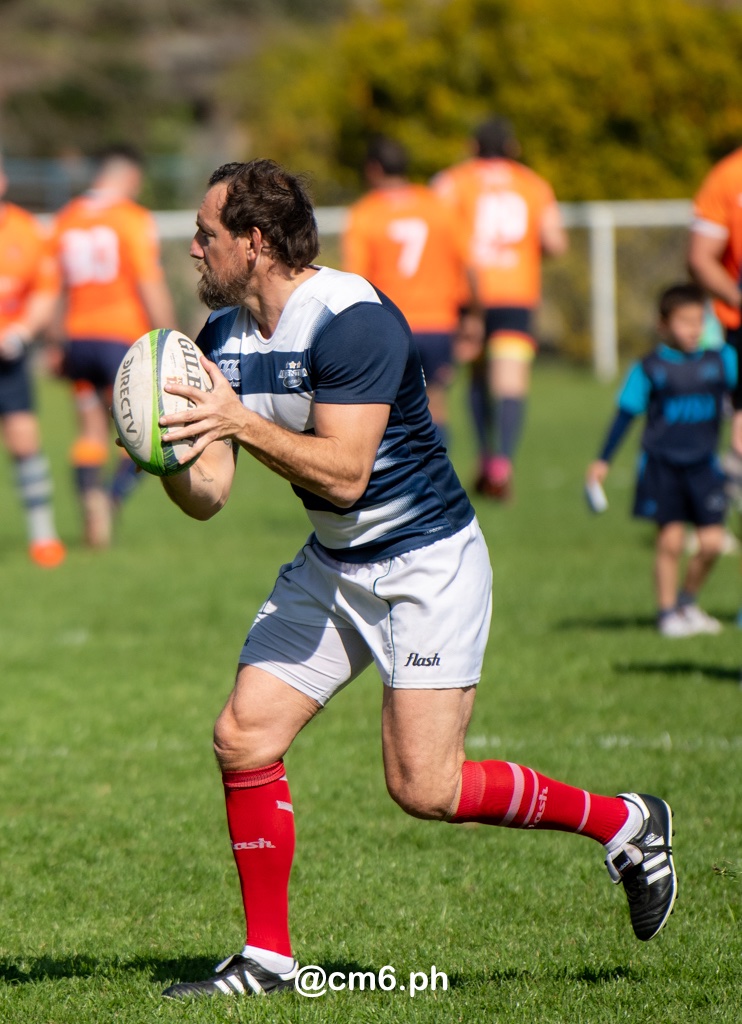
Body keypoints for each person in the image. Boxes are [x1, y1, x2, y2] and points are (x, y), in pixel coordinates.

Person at [154, 159, 676, 1000]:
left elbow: (346, 474)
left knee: (426, 787)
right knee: (244, 736)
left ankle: (627, 822)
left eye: (204, 234)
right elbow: (210, 495)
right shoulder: (221, 341)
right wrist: (165, 453)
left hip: (428, 563)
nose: (192, 249)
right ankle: (267, 958)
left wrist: (236, 419)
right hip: (336, 564)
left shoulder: (353, 322)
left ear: (253, 243)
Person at [586, 283, 736, 638]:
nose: (693, 329)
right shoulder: (650, 367)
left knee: (712, 543)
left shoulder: (722, 360)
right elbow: (625, 414)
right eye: (685, 322)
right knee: (670, 543)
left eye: (699, 321)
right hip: (662, 466)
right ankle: (667, 614)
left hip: (704, 466)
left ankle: (687, 602)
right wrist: (603, 460)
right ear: (663, 325)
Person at [433, 116, 568, 499]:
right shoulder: (533, 184)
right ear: (513, 148)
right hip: (515, 293)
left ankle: (482, 453)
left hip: (468, 295)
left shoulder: (453, 181)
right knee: (510, 380)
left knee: (477, 377)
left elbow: (436, 230)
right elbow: (555, 242)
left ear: (473, 147)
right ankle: (502, 461)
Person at [49, 144, 175, 547]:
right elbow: (149, 283)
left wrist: (55, 343)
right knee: (140, 429)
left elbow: (54, 289)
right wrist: (170, 336)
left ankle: (89, 497)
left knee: (89, 431)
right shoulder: (131, 218)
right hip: (121, 340)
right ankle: (111, 496)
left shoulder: (67, 218)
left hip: (77, 339)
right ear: (130, 177)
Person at [342, 136, 469, 445]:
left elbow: (355, 279)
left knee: (389, 407)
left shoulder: (365, 213)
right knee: (435, 404)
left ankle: (400, 470)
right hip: (439, 321)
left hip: (390, 324)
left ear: (374, 169)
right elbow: (467, 263)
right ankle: (437, 469)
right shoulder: (437, 206)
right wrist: (471, 315)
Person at [0, 157, 66, 568]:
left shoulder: (26, 231)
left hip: (8, 356)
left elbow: (45, 291)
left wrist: (22, 331)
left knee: (24, 440)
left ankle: (43, 536)